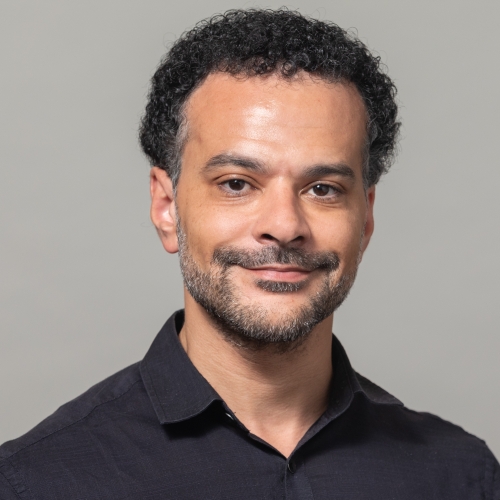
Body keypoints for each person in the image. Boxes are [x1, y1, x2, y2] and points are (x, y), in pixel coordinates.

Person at [0, 8, 498, 499]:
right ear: (166, 205)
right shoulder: (38, 482)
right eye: (237, 183)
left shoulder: (462, 476)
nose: (284, 225)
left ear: (365, 217)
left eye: (323, 188)